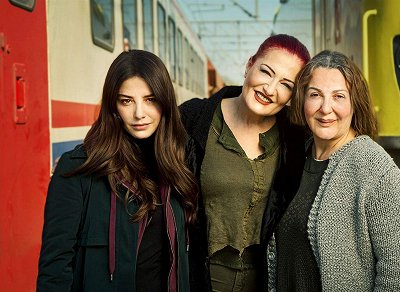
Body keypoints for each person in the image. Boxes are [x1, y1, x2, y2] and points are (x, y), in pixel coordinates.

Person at [37, 50, 197, 292]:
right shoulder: (78, 169)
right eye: (126, 101)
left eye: (150, 99)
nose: (139, 113)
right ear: (113, 106)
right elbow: (55, 268)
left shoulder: (179, 165)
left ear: (165, 102)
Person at [267, 50, 400, 291]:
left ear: (354, 103)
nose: (326, 108)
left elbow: (399, 272)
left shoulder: (376, 170)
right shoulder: (293, 157)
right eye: (315, 95)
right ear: (302, 100)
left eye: (339, 96)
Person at [180, 34, 310, 292]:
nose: (270, 89)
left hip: (266, 282)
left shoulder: (296, 140)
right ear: (250, 65)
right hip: (199, 279)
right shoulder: (193, 119)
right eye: (266, 72)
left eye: (286, 84)